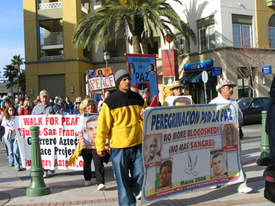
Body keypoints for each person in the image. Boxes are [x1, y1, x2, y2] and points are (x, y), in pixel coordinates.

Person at [95, 69, 146, 206]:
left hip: (137, 144)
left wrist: (143, 114)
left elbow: (146, 117)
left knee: (140, 175)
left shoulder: (138, 98)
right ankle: (128, 204)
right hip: (118, 147)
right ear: (118, 83)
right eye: (124, 79)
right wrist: (100, 146)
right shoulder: (110, 101)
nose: (127, 81)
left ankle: (131, 192)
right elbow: (102, 126)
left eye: (128, 79)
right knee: (122, 182)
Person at [209, 79, 252, 193]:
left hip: (233, 137)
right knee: (216, 159)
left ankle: (242, 184)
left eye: (232, 87)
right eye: (228, 87)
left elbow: (241, 119)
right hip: (218, 137)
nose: (231, 90)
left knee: (237, 158)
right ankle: (215, 181)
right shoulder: (214, 103)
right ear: (221, 90)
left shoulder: (234, 102)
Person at [76, 98, 107, 190]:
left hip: (97, 143)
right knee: (87, 162)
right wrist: (82, 141)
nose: (90, 107)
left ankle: (100, 182)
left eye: (92, 105)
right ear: (84, 107)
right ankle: (87, 178)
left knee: (98, 162)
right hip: (86, 143)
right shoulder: (82, 117)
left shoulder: (99, 116)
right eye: (88, 105)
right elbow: (79, 130)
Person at [32, 90, 56, 177]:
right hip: (41, 134)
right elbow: (31, 120)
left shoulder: (53, 106)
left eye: (46, 96)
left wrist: (52, 116)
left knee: (51, 150)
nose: (44, 98)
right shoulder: (36, 108)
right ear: (40, 97)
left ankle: (51, 166)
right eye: (43, 97)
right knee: (43, 152)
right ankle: (45, 169)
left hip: (51, 133)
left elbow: (60, 117)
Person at [2, 106, 20, 171]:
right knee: (10, 151)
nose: (11, 111)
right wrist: (10, 128)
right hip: (8, 136)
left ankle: (17, 165)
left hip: (15, 136)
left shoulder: (16, 117)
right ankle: (11, 160)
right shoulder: (6, 118)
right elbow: (4, 125)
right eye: (10, 110)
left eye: (12, 110)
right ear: (7, 111)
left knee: (16, 151)